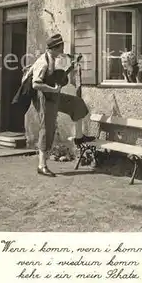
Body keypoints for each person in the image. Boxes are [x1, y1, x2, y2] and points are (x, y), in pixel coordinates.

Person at [27, 33, 95, 177]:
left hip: (54, 95)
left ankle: (79, 136)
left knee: (77, 103)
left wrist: (72, 66)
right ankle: (42, 165)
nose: (63, 48)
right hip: (44, 98)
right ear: (56, 47)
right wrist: (53, 89)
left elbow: (57, 78)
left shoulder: (53, 58)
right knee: (47, 128)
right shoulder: (43, 62)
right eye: (62, 46)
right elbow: (36, 84)